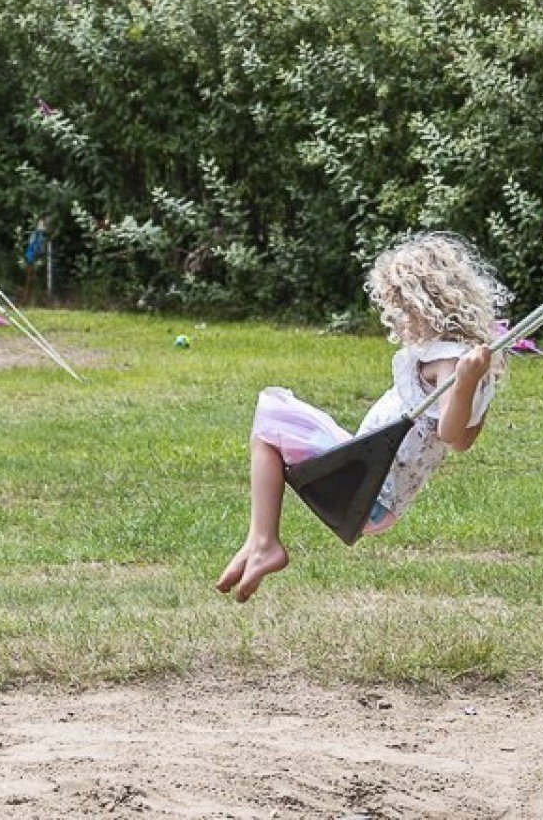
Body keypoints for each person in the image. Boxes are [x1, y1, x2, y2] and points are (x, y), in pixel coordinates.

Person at [216, 232, 508, 602]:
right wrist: (469, 379)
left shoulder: (453, 361)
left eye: (399, 310)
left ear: (424, 304)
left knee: (270, 416)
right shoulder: (462, 359)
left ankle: (263, 542)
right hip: (373, 491)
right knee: (272, 430)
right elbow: (463, 439)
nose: (397, 322)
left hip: (364, 486)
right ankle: (259, 542)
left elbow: (453, 435)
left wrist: (465, 381)